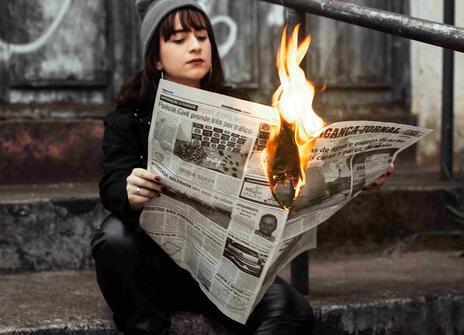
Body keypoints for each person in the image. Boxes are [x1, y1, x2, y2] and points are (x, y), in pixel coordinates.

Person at [90, 1, 394, 334]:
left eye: (202, 36)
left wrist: (355, 175)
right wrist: (129, 190)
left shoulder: (241, 108)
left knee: (292, 311)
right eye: (179, 39)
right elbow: (113, 184)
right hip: (156, 268)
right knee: (113, 238)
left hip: (225, 268)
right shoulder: (127, 118)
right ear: (156, 58)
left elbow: (288, 172)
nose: (195, 46)